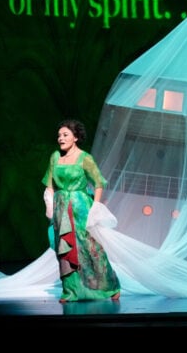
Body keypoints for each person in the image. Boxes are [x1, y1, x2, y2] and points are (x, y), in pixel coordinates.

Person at [42, 119, 121, 302]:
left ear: (75, 137)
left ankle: (110, 286)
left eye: (65, 135)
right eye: (59, 135)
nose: (60, 138)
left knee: (90, 248)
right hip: (61, 208)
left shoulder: (85, 158)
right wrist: (49, 206)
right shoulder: (55, 157)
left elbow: (99, 182)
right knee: (64, 249)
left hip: (81, 208)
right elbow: (50, 185)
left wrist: (95, 207)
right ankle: (71, 291)